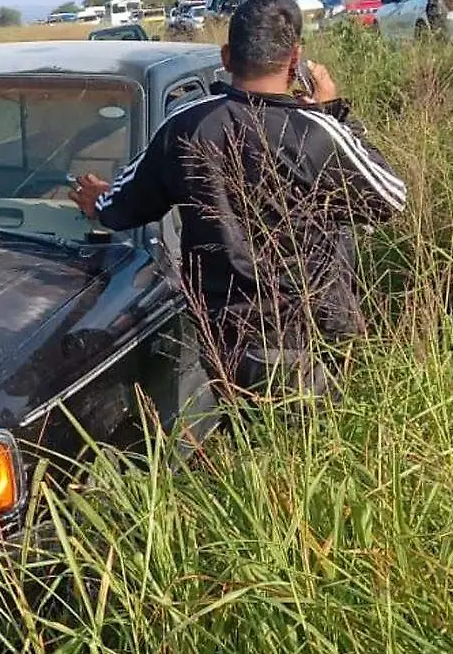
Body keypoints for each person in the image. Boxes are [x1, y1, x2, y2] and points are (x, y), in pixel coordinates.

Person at [69, 0, 405, 408]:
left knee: (247, 439)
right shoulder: (315, 130)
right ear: (295, 58)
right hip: (314, 334)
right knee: (319, 443)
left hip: (228, 337)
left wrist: (99, 198)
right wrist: (332, 113)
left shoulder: (188, 126)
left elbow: (125, 204)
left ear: (227, 57)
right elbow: (389, 199)